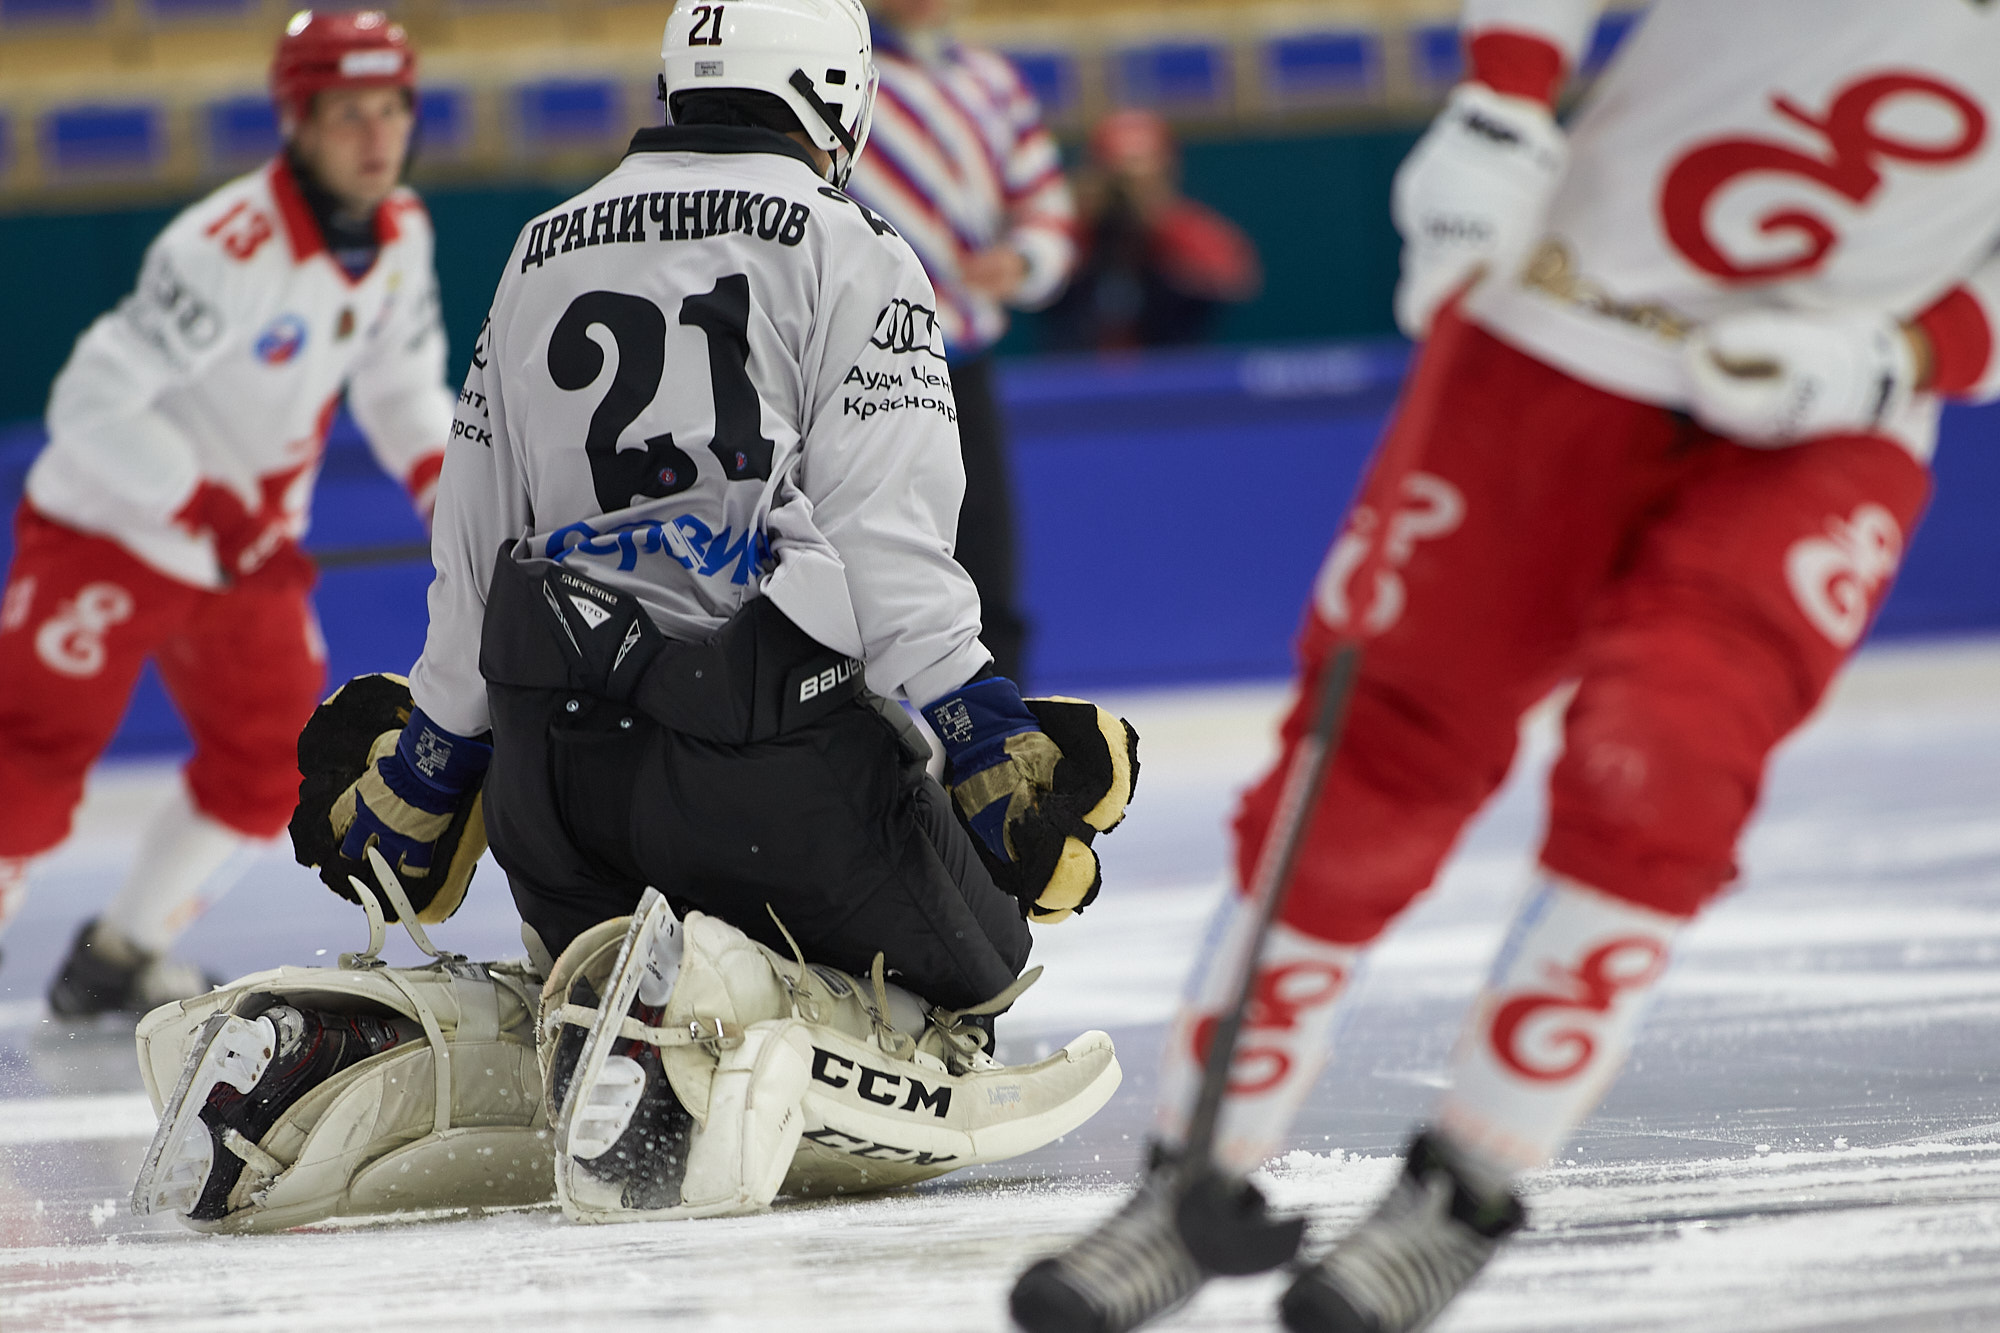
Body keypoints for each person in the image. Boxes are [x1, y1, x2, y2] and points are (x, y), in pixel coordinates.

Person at [1012, 2, 2000, 1331]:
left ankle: (1468, 1185)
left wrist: (1904, 352)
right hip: (1562, 330)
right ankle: (1199, 1173)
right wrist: (1502, 100)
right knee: (1370, 762)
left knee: (1668, 759)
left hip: (1831, 409)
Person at [132, 0, 1138, 1233]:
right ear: (836, 90)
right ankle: (703, 1006)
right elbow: (890, 556)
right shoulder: (852, 245)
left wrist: (436, 767)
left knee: (577, 963)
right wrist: (984, 737)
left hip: (554, 788)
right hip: (766, 775)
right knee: (974, 969)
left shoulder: (540, 246)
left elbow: (469, 549)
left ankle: (354, 1050)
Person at [0, 9, 452, 1019]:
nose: (376, 138)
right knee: (21, 777)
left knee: (268, 771)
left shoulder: (400, 233)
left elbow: (401, 388)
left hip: (240, 559)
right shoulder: (223, 248)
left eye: (391, 110)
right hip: (109, 533)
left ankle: (118, 959)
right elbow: (88, 405)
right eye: (347, 114)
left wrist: (449, 495)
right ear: (296, 119)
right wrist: (211, 508)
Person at [842, 0, 1077, 682]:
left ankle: (1004, 754)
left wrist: (1024, 259)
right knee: (840, 569)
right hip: (845, 368)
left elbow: (1046, 209)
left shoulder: (994, 83)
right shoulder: (833, 74)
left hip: (960, 365)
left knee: (985, 572)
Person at [1044, 109, 1261, 352]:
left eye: (1146, 177)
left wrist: (1158, 221)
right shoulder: (1075, 229)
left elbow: (1237, 277)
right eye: (1119, 179)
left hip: (1174, 375)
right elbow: (1034, 270)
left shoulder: (1185, 225)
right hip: (1073, 377)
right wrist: (1080, 216)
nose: (1132, 190)